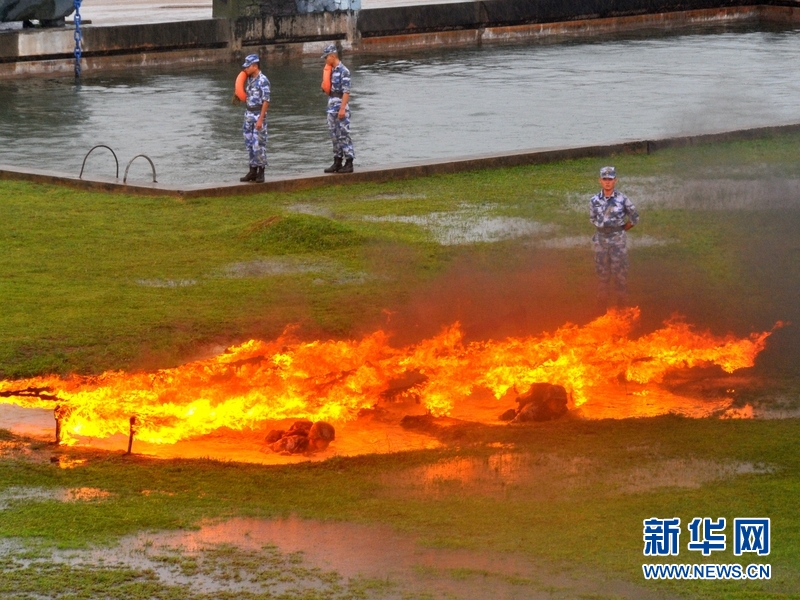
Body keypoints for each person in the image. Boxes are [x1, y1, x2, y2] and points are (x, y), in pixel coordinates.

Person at [589, 166, 639, 308]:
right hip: (600, 241)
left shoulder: (622, 199)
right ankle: (601, 308)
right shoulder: (594, 200)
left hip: (618, 241)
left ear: (615, 181)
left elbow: (635, 217)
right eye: (605, 179)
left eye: (610, 179)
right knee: (602, 275)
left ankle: (622, 307)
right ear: (600, 181)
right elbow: (592, 218)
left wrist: (622, 229)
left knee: (620, 275)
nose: (607, 182)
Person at [320, 44, 355, 174]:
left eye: (326, 57)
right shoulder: (331, 70)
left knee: (343, 135)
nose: (325, 60)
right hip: (331, 106)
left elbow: (346, 92)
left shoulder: (343, 71)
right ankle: (337, 161)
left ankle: (349, 161)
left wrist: (342, 109)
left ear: (332, 56)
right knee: (334, 135)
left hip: (340, 105)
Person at [239, 54, 270, 184]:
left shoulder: (263, 80)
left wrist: (261, 119)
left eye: (248, 66)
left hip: (258, 115)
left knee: (259, 145)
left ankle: (261, 171)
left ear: (255, 66)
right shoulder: (250, 79)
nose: (246, 69)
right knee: (249, 144)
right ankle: (252, 170)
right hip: (249, 115)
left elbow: (266, 101)